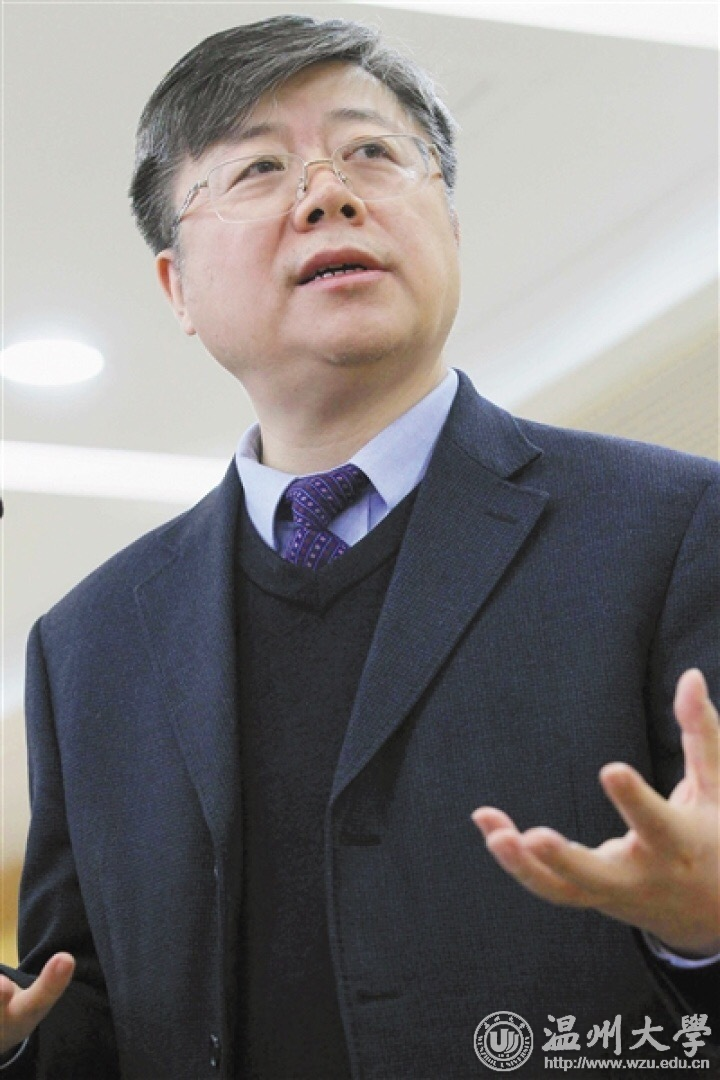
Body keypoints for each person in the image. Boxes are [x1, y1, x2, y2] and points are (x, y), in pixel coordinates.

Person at [1, 15, 718, 1079]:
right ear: (177, 289)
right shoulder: (87, 645)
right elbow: (88, 1013)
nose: (328, 194)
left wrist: (703, 933)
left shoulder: (672, 526)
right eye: (258, 167)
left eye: (374, 152)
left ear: (451, 226)